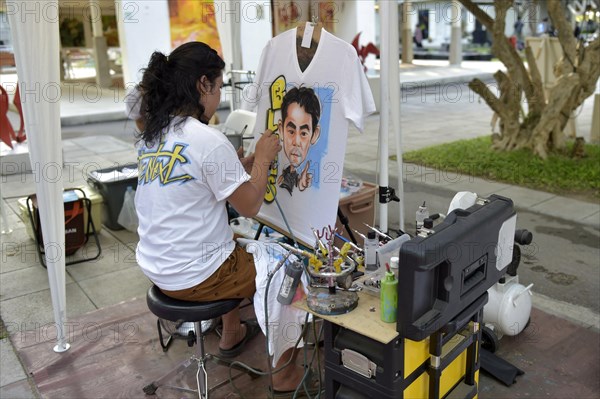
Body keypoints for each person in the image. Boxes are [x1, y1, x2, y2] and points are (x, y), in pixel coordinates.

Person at [134, 42, 282, 372]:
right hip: (195, 275)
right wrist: (264, 160)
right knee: (286, 268)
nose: (218, 96)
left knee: (225, 240)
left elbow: (195, 188)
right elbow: (250, 206)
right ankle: (287, 376)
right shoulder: (206, 138)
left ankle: (232, 333)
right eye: (218, 86)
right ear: (203, 84)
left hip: (159, 268)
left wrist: (243, 168)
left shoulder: (155, 135)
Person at [276, 86, 321, 195]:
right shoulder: (283, 174)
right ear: (281, 130)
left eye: (303, 133)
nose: (296, 142)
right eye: (291, 131)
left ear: (314, 135)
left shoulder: (316, 177)